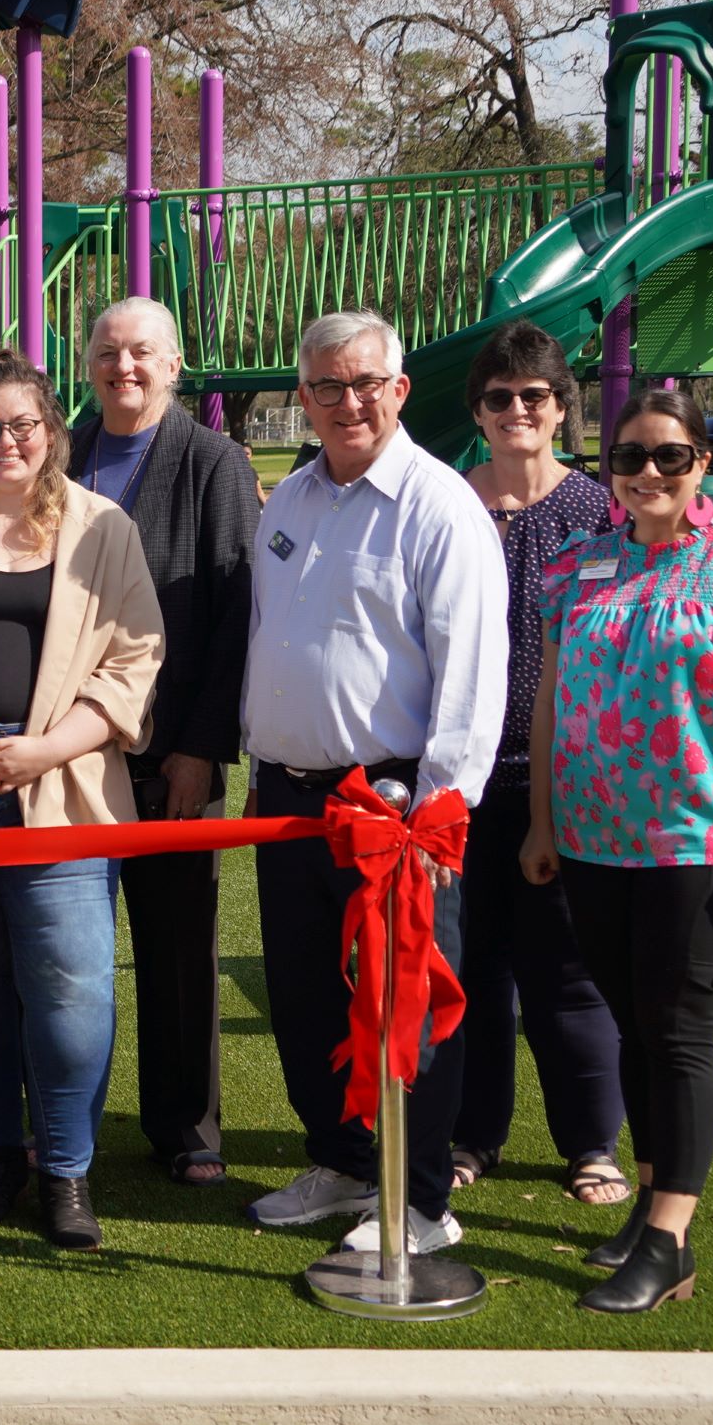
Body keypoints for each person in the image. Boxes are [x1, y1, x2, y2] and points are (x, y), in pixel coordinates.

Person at [524, 386, 713, 1313]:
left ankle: (670, 1237)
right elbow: (548, 705)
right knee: (634, 1024)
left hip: (700, 839)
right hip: (597, 839)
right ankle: (651, 1205)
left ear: (703, 466)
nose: (648, 473)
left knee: (679, 1033)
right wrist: (542, 821)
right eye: (629, 458)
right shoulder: (578, 570)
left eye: (670, 457)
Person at [239, 309, 505, 1256]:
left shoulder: (440, 507)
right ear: (303, 397)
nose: (346, 402)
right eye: (325, 387)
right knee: (306, 992)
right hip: (289, 797)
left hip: (395, 805)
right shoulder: (290, 499)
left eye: (364, 384)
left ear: (398, 390)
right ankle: (344, 1160)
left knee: (407, 1000)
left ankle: (420, 1198)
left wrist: (438, 808)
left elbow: (472, 671)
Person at [0, 355, 165, 1250]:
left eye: (23, 425)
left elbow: (135, 659)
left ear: (52, 433)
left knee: (70, 991)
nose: (7, 442)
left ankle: (67, 1171)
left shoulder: (104, 529)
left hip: (61, 787)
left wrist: (45, 751)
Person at [67, 297, 263, 1186]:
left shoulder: (213, 462)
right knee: (62, 947)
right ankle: (59, 1120)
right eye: (108, 353)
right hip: (62, 751)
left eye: (142, 353)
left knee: (178, 948)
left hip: (170, 748)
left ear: (174, 366)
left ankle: (186, 1126)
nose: (124, 368)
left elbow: (234, 616)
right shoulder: (54, 451)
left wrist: (200, 747)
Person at [446, 324, 628, 1206]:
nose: (518, 411)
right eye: (499, 397)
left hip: (565, 779)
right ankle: (472, 1133)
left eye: (536, 396)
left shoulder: (598, 511)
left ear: (561, 406)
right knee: (470, 966)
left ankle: (592, 1142)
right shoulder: (446, 501)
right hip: (458, 777)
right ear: (477, 410)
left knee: (565, 971)